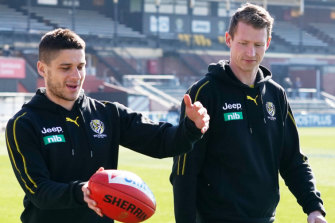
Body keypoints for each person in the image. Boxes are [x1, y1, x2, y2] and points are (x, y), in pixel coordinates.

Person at [5, 28, 209, 223]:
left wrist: (191, 127)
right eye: (65, 68)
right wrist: (82, 191)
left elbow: (161, 142)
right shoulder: (23, 124)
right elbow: (39, 191)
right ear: (42, 69)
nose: (76, 76)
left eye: (81, 66)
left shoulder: (108, 113)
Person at [170, 3, 326, 223]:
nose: (250, 53)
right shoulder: (204, 93)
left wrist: (314, 209)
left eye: (258, 44)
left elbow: (293, 160)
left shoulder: (276, 95)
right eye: (243, 43)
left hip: (265, 219)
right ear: (228, 40)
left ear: (268, 43)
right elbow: (184, 170)